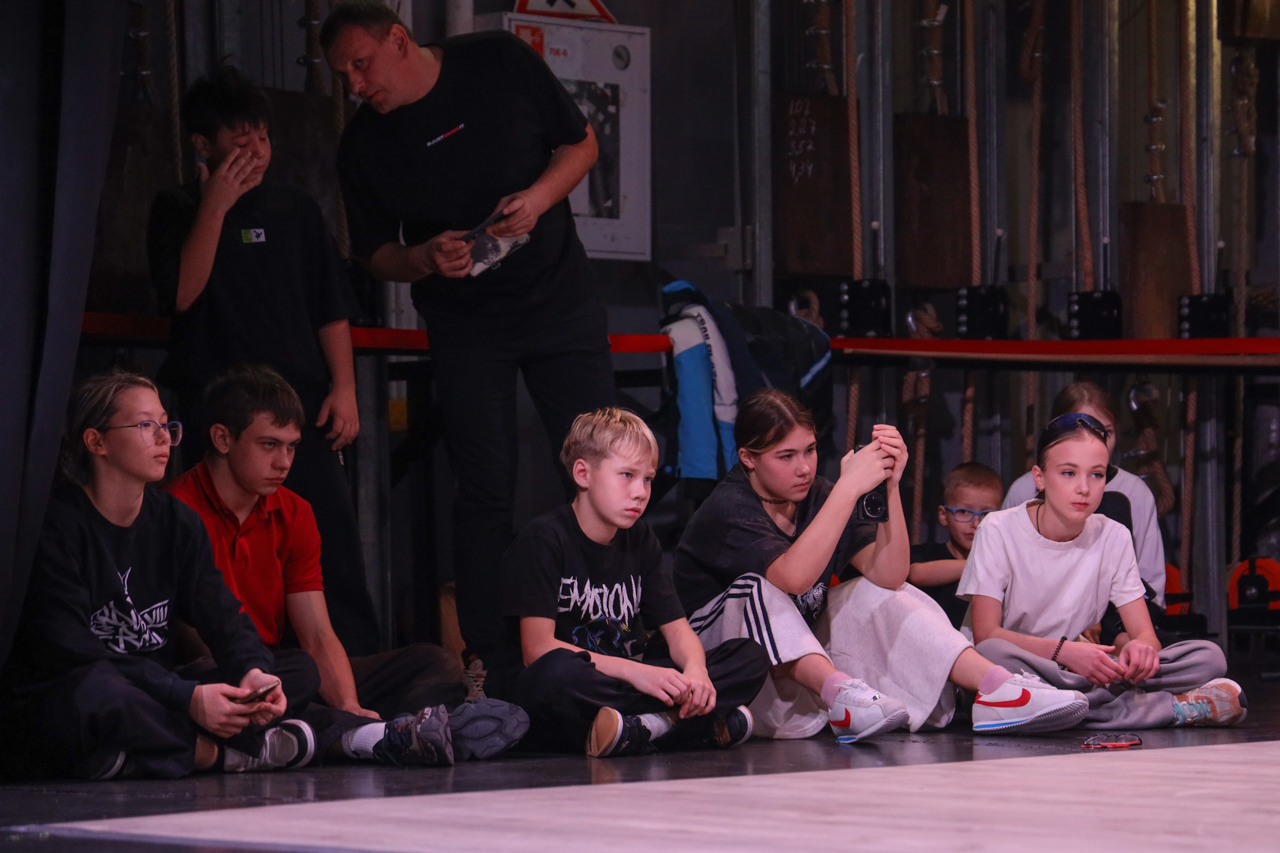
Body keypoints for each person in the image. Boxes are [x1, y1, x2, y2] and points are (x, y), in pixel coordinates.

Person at [322, 2, 617, 689]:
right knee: (484, 487)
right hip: (466, 327)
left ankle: (614, 628)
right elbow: (375, 254)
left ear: (399, 40)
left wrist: (537, 199)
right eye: (342, 75)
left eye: (362, 64)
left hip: (560, 304)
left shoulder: (497, 61)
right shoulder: (363, 144)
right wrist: (423, 256)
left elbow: (581, 146)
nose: (356, 84)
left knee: (603, 464)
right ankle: (488, 656)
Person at [674, 389, 1090, 742]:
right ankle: (841, 694)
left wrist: (890, 485)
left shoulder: (818, 494)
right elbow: (793, 579)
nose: (804, 468)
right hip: (722, 678)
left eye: (810, 450)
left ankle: (997, 688)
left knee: (877, 591)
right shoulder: (729, 506)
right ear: (748, 458)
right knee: (756, 588)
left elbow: (889, 575)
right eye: (786, 456)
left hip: (793, 676)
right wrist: (849, 489)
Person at [166, 365, 529, 766]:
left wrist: (350, 703)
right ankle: (373, 736)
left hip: (282, 671)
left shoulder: (294, 512)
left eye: (291, 447)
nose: (284, 462)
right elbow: (196, 640)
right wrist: (257, 676)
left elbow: (317, 633)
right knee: (286, 677)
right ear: (222, 438)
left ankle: (384, 730)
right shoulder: (175, 510)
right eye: (269, 445)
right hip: (224, 674)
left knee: (432, 662)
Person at [147, 65, 380, 656]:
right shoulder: (176, 206)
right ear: (203, 143)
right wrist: (216, 205)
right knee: (219, 540)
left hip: (299, 404)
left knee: (328, 536)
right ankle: (239, 663)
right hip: (217, 405)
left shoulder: (295, 209)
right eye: (240, 138)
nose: (255, 149)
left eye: (263, 137)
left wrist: (345, 389)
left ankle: (356, 666)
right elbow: (182, 294)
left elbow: (331, 308)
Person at [0, 371, 316, 780]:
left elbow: (223, 617)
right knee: (101, 694)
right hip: (87, 688)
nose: (164, 437)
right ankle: (217, 755)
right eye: (146, 425)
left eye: (166, 424)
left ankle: (133, 756)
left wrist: (252, 673)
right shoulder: (56, 525)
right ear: (96, 442)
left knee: (297, 671)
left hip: (159, 690)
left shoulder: (176, 521)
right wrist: (186, 697)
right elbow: (73, 650)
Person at [496, 409, 770, 757]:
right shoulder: (545, 540)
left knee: (749, 656)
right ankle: (679, 725)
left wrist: (696, 672)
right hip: (573, 686)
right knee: (557, 673)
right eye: (627, 475)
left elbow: (678, 631)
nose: (640, 492)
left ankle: (642, 727)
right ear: (583, 474)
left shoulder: (640, 538)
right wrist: (638, 674)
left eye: (648, 479)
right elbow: (537, 650)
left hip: (623, 682)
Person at [961, 412, 1246, 729]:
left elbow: (1146, 635)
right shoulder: (997, 529)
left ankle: (1066, 705)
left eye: (1096, 475)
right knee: (992, 653)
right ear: (1039, 478)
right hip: (1019, 667)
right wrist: (1064, 653)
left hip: (1078, 668)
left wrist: (1140, 651)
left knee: (1209, 657)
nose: (1084, 488)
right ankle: (1161, 708)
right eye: (1068, 473)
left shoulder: (1114, 535)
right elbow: (987, 634)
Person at [1002, 382, 1167, 606]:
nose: (1096, 443)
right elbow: (1002, 578)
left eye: (1106, 432)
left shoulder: (1134, 494)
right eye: (1083, 431)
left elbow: (1149, 584)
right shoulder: (1023, 491)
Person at [908, 462, 1003, 630]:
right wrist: (978, 565)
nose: (976, 523)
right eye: (964, 512)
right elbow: (916, 574)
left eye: (986, 514)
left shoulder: (1002, 561)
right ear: (944, 516)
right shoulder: (929, 554)